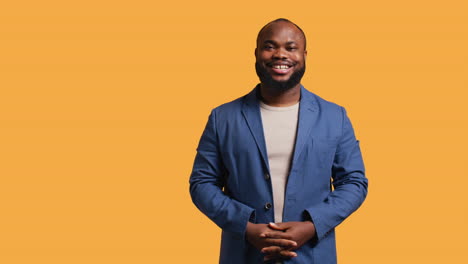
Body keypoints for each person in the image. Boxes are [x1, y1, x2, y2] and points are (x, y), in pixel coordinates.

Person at [189, 18, 368, 264]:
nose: (280, 54)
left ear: (304, 55)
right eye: (270, 46)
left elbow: (354, 182)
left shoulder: (334, 116)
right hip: (243, 255)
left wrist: (312, 225)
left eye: (291, 47)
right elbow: (202, 183)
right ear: (256, 53)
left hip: (313, 256)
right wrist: (246, 227)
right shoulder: (223, 117)